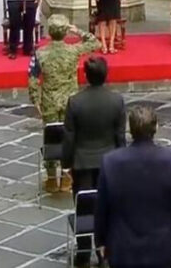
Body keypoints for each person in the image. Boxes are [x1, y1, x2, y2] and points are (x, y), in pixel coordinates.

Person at [95, 107, 171, 268]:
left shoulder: (110, 162)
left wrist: (100, 240)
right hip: (160, 246)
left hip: (122, 247)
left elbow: (102, 207)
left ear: (130, 130)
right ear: (156, 127)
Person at [62, 56, 126, 267]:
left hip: (82, 163)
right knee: (106, 208)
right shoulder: (116, 101)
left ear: (86, 76)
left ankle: (83, 251)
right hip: (108, 162)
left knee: (83, 208)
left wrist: (65, 163)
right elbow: (120, 137)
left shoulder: (75, 102)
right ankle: (104, 252)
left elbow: (70, 137)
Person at [28, 14, 100, 192]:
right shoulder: (73, 50)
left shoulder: (40, 53)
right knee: (70, 138)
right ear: (64, 31)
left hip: (49, 100)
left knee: (51, 137)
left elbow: (32, 77)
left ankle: (52, 178)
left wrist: (35, 99)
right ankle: (67, 176)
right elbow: (95, 42)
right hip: (70, 101)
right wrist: (78, 31)